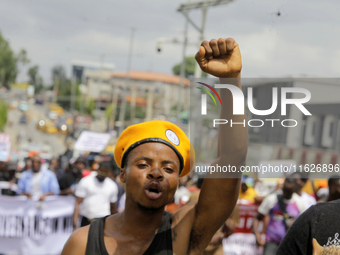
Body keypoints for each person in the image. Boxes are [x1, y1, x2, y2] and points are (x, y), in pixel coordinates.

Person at [62, 37, 248, 255]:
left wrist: (230, 79)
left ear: (178, 182)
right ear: (123, 174)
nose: (157, 173)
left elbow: (232, 158)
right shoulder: (82, 243)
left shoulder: (184, 233)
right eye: (143, 164)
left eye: (169, 169)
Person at [253, 176, 307, 255]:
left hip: (289, 245)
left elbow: (304, 225)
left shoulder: (300, 203)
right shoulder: (272, 199)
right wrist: (256, 233)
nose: (286, 193)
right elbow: (257, 218)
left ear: (294, 189)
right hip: (271, 243)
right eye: (284, 190)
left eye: (289, 191)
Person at [73, 160, 119, 230]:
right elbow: (77, 203)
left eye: (105, 173)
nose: (102, 174)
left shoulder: (112, 186)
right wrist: (75, 224)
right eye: (101, 171)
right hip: (86, 220)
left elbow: (113, 208)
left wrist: (113, 226)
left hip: (102, 221)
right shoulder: (86, 181)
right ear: (97, 169)